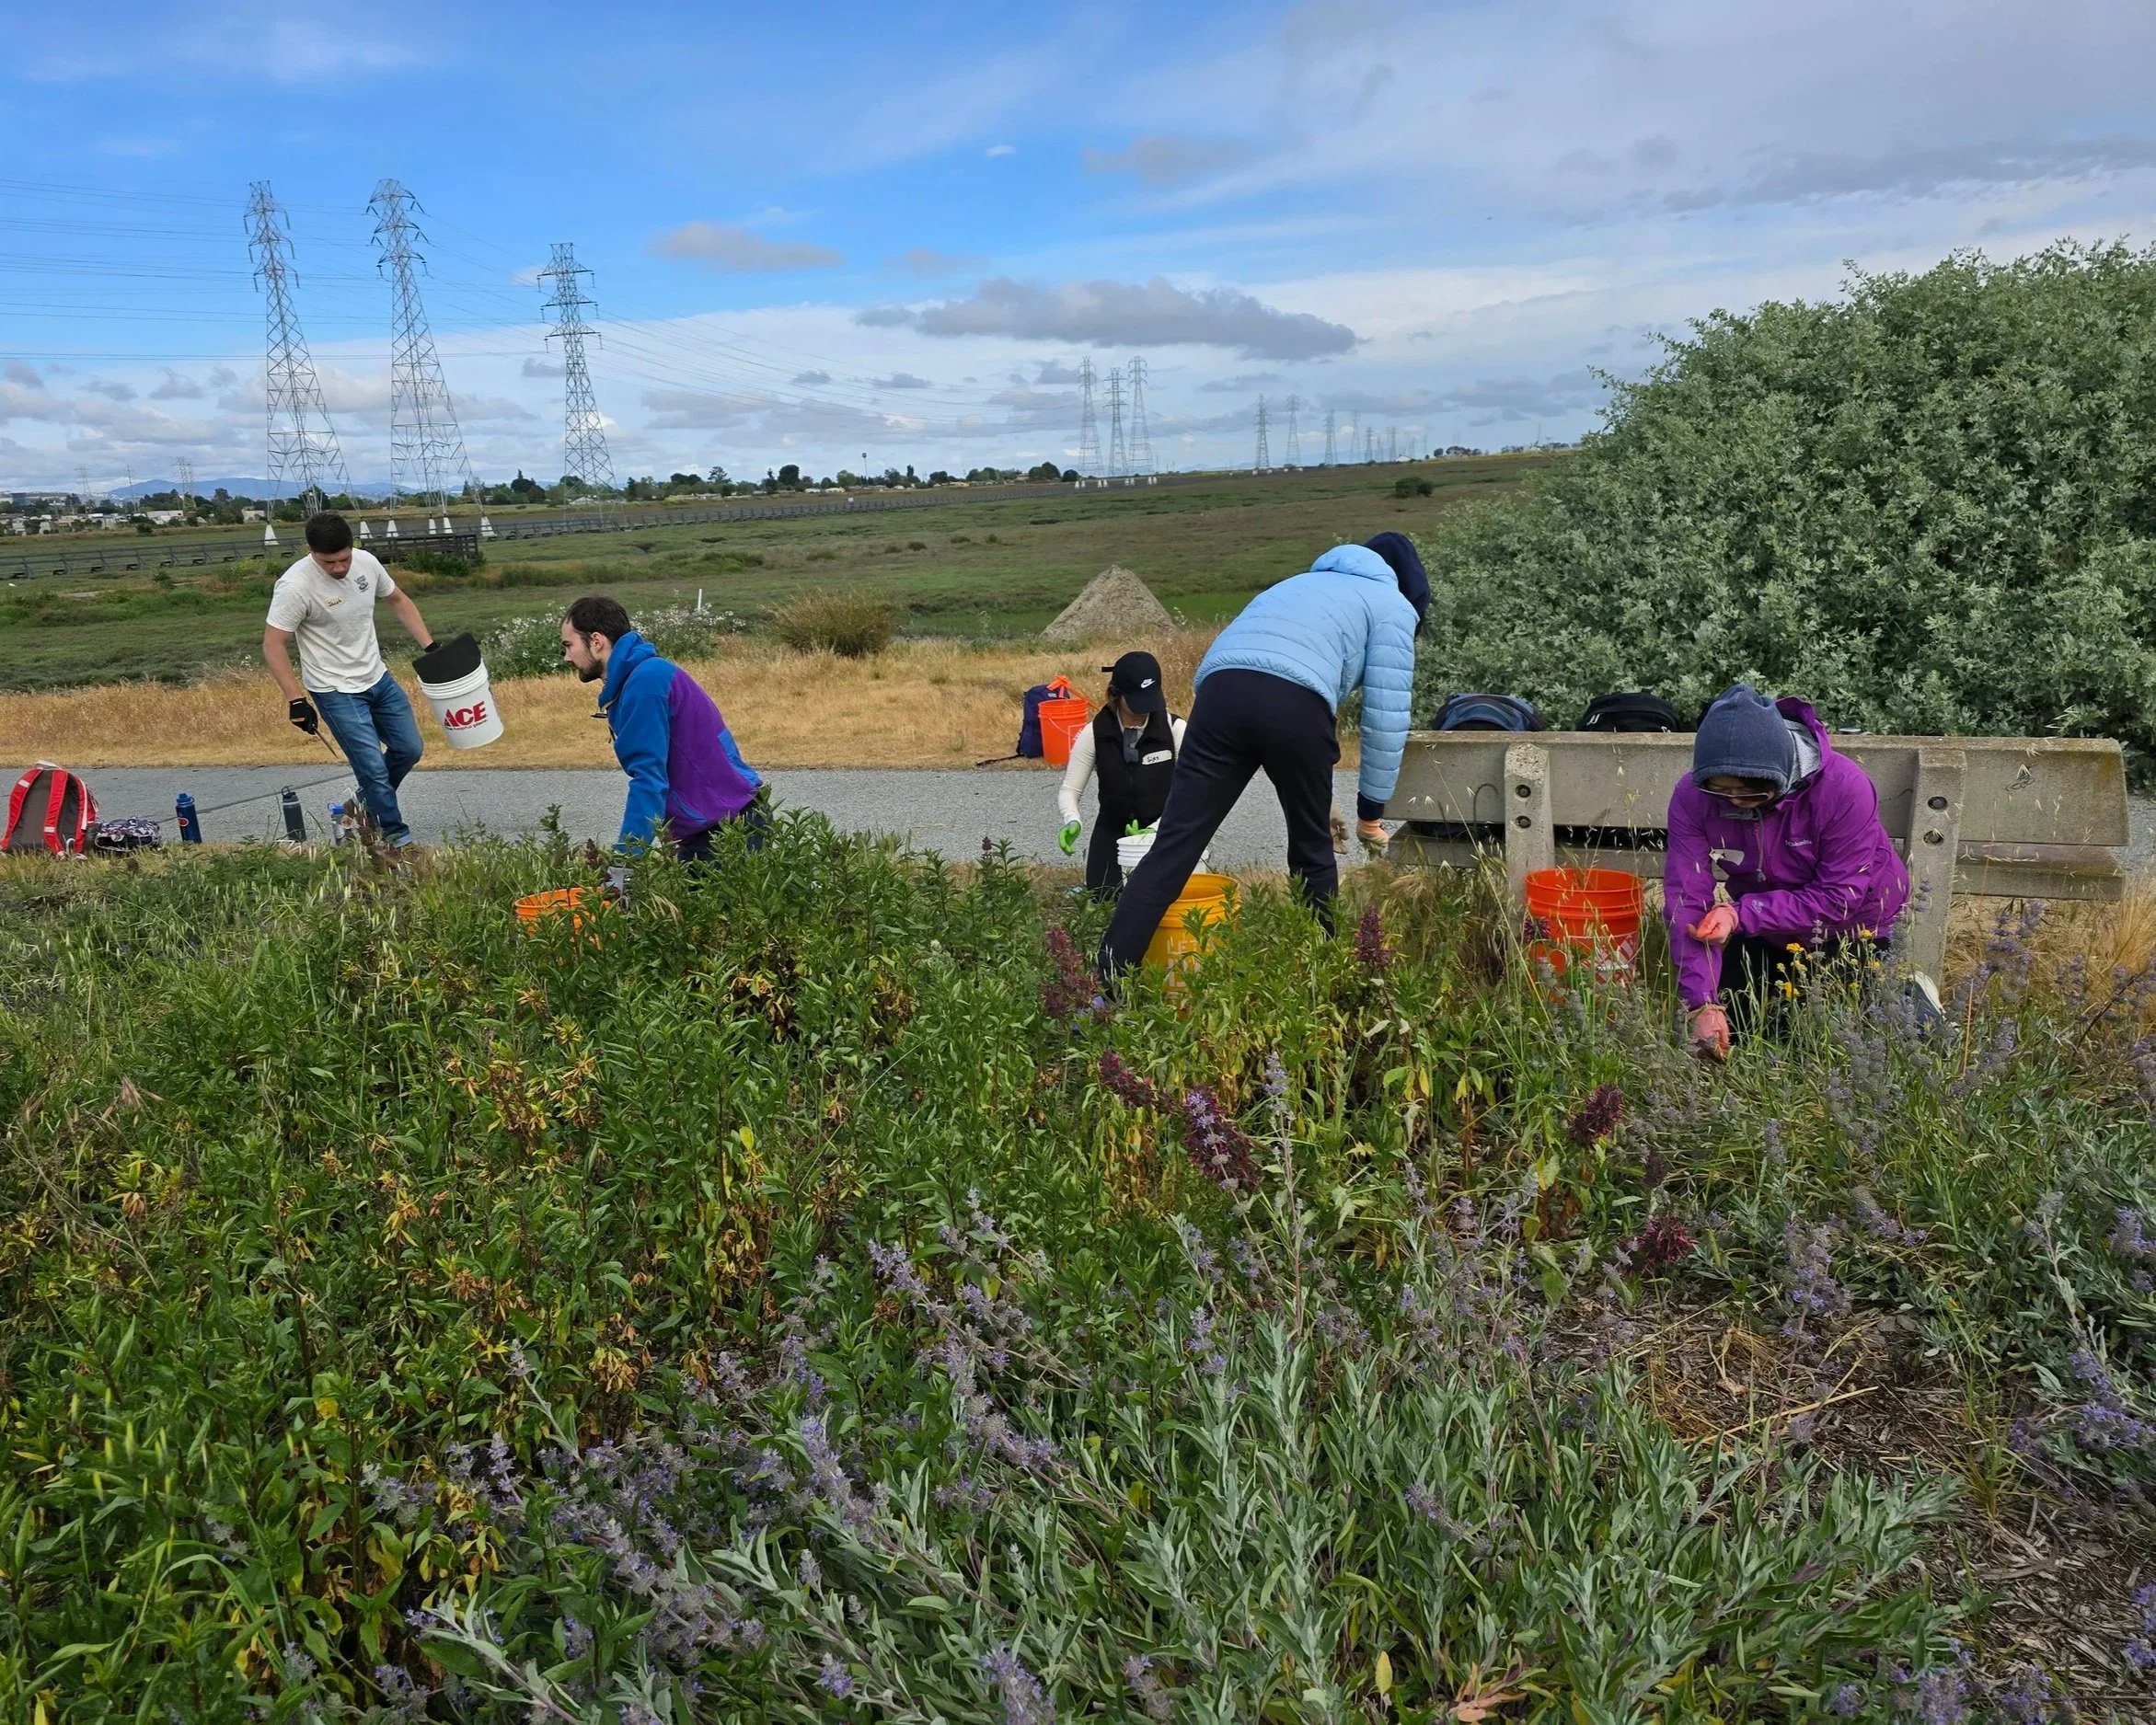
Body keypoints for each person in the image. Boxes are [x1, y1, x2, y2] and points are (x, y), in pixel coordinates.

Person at [1096, 531, 1425, 976]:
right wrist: (1371, 815)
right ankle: (1326, 979)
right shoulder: (1392, 606)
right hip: (1295, 705)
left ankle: (1103, 989)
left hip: (1219, 695)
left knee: (1173, 848)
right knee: (1312, 852)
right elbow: (1385, 720)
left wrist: (1318, 789)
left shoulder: (1294, 584)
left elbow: (1256, 664)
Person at [1665, 684, 1910, 1060]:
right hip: (1764, 928)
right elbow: (1686, 897)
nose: (1734, 802)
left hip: (1853, 929)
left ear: (1782, 774)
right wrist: (1701, 1003)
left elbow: (1839, 897)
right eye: (1721, 791)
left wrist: (1740, 913)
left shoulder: (1844, 787)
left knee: (1822, 1048)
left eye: (1750, 793)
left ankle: (1916, 1002)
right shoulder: (1691, 796)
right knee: (1727, 1041)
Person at [263, 511, 435, 847]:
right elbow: (273, 645)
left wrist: (430, 646)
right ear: (311, 552)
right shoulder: (295, 586)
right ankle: (395, 836)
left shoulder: (367, 563)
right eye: (330, 563)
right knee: (372, 768)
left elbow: (399, 600)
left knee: (409, 748)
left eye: (344, 558)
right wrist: (296, 700)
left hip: (377, 676)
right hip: (334, 689)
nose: (339, 568)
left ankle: (358, 806)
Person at [559, 594, 767, 860]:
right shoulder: (640, 678)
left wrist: (626, 863)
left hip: (726, 829)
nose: (566, 657)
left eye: (569, 645)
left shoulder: (644, 684)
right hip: (711, 826)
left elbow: (648, 778)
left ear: (596, 641)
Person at [1056, 650, 1188, 897]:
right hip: (1113, 830)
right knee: (1104, 898)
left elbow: (1192, 792)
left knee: (1165, 899)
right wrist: (1072, 819)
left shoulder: (1176, 729)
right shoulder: (1093, 733)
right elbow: (1070, 790)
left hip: (1164, 831)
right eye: (1137, 701)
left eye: (1151, 700)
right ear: (1116, 694)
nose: (1144, 710)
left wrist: (1157, 828)